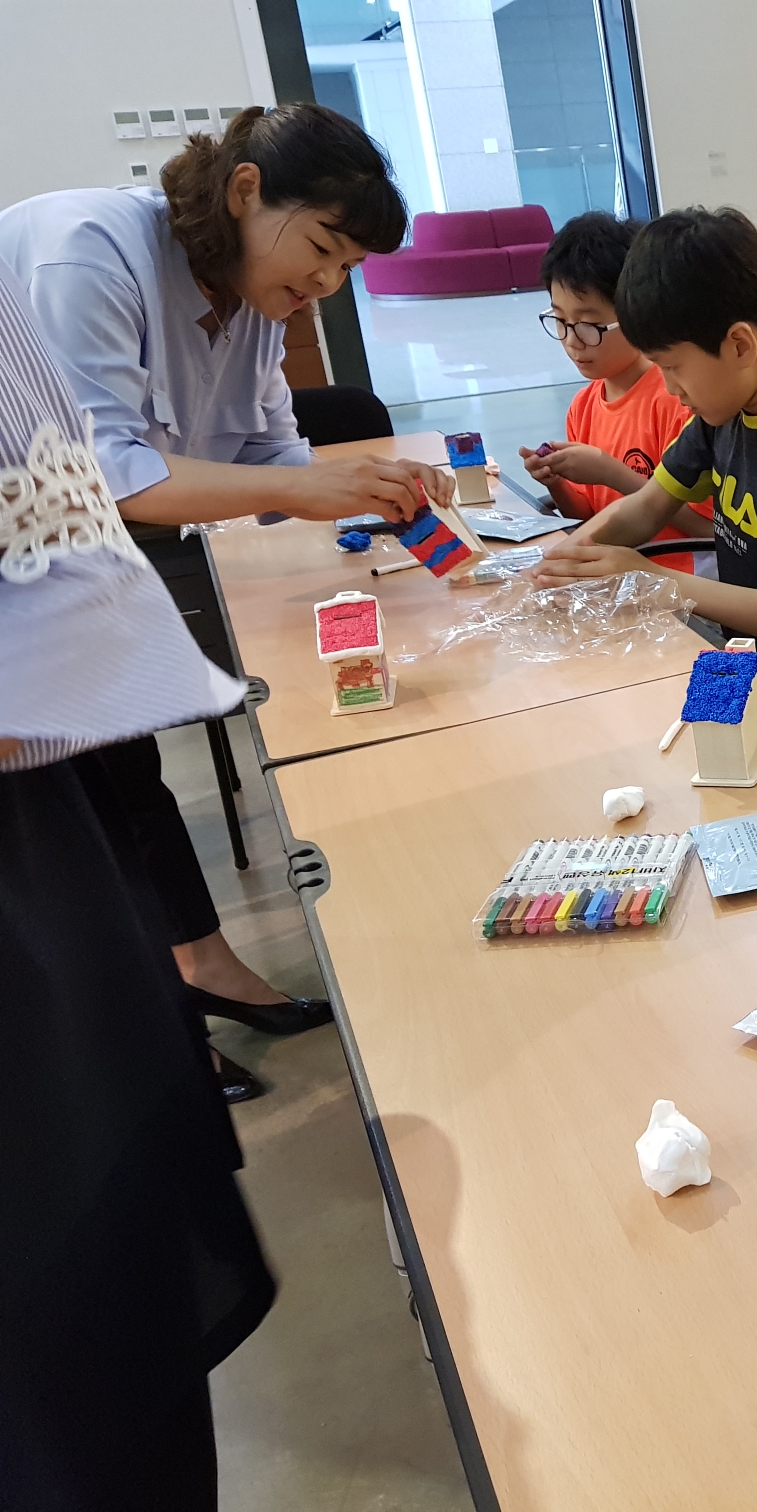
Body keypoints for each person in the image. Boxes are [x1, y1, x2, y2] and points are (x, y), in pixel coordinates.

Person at [0, 104, 453, 1099]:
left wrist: (361, 488)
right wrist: (305, 487)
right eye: (323, 249)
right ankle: (143, 1045)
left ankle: (198, 965)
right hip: (30, 540)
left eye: (347, 269)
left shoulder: (250, 296)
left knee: (124, 769)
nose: (326, 284)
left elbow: (264, 445)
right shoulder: (90, 251)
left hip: (65, 545)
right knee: (64, 811)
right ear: (246, 190)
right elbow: (109, 474)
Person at [0, 255, 275, 1510]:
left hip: (40, 821)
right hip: (32, 845)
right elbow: (89, 536)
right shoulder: (84, 262)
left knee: (99, 1325)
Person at [530, 206, 757, 712]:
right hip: (737, 663)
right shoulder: (724, 408)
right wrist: (565, 561)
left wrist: (660, 583)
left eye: (673, 367)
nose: (670, 388)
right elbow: (647, 506)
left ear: (739, 345)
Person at [515, 211, 714, 575]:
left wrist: (613, 473)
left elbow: (709, 529)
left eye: (589, 325)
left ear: (636, 313)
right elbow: (588, 516)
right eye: (560, 321)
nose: (572, 341)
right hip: (610, 579)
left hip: (675, 580)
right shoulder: (583, 406)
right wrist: (556, 482)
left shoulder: (677, 399)